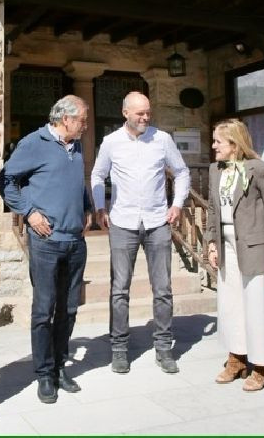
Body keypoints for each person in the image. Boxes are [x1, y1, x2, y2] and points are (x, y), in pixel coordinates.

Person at [0, 95, 93, 404]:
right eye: (82, 120)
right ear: (66, 119)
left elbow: (76, 182)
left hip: (74, 242)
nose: (86, 125)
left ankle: (59, 367)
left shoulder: (76, 146)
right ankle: (43, 374)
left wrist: (86, 206)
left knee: (69, 309)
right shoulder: (33, 143)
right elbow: (5, 181)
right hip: (46, 243)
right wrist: (29, 213)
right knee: (44, 310)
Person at [90, 91, 190, 374]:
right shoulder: (111, 142)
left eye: (148, 112)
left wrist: (177, 204)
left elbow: (181, 172)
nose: (146, 117)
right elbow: (97, 175)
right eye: (140, 113)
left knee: (163, 289)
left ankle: (164, 348)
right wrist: (100, 207)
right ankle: (119, 349)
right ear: (125, 113)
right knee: (119, 290)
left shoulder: (162, 139)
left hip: (157, 222)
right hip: (123, 223)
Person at [206, 119, 264, 392]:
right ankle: (236, 358)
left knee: (256, 305)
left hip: (254, 245)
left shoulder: (259, 169)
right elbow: (213, 209)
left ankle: (262, 366)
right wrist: (212, 243)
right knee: (230, 305)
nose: (213, 146)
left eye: (218, 141)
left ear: (234, 144)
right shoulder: (214, 170)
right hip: (226, 245)